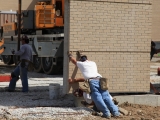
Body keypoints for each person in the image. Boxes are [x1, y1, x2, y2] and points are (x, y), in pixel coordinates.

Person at [68, 52, 120, 119]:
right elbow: (87, 61)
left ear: (81, 61)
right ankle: (116, 112)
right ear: (87, 59)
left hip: (93, 82)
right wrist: (81, 55)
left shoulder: (81, 64)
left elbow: (74, 61)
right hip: (101, 80)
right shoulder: (93, 63)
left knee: (98, 98)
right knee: (106, 96)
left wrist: (70, 55)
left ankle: (106, 113)